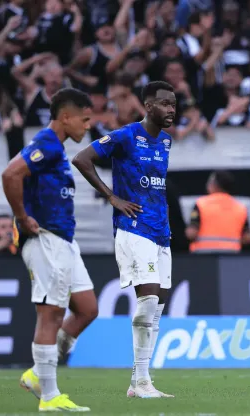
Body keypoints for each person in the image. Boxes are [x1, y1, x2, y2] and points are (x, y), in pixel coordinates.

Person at [72, 81, 177, 399]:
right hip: (133, 228)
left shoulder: (166, 141)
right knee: (147, 303)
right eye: (164, 103)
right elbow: (81, 159)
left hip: (161, 230)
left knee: (157, 306)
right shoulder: (126, 135)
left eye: (173, 104)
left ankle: (140, 381)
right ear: (148, 106)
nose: (171, 109)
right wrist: (111, 197)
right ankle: (141, 381)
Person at [0, 88, 96, 412]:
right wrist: (21, 216)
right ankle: (49, 396)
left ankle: (37, 374)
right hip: (45, 238)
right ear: (65, 117)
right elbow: (11, 173)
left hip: (65, 241)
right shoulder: (47, 144)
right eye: (84, 120)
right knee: (51, 314)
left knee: (86, 308)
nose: (88, 126)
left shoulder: (57, 149)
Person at [186, 171, 250, 253]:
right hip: (231, 255)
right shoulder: (240, 207)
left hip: (203, 256)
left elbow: (191, 233)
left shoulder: (201, 204)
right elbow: (248, 237)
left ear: (214, 184)